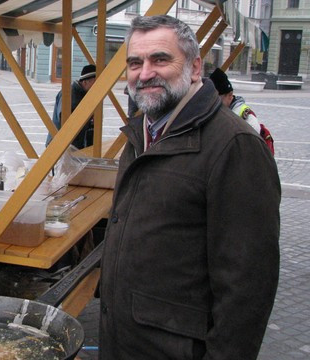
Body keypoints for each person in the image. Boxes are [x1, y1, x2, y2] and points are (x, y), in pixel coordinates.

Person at [98, 15, 280, 360]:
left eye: (160, 59)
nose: (145, 72)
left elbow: (247, 290)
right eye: (135, 63)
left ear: (195, 67)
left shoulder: (235, 146)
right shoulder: (142, 133)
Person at [209, 67, 274, 154]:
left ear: (230, 95)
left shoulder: (246, 117)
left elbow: (254, 150)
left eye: (217, 98)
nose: (212, 102)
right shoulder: (215, 112)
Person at [45, 64, 97, 148]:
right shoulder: (69, 93)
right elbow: (64, 118)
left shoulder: (84, 94)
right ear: (85, 82)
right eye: (95, 82)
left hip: (75, 144)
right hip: (61, 145)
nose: (97, 87)